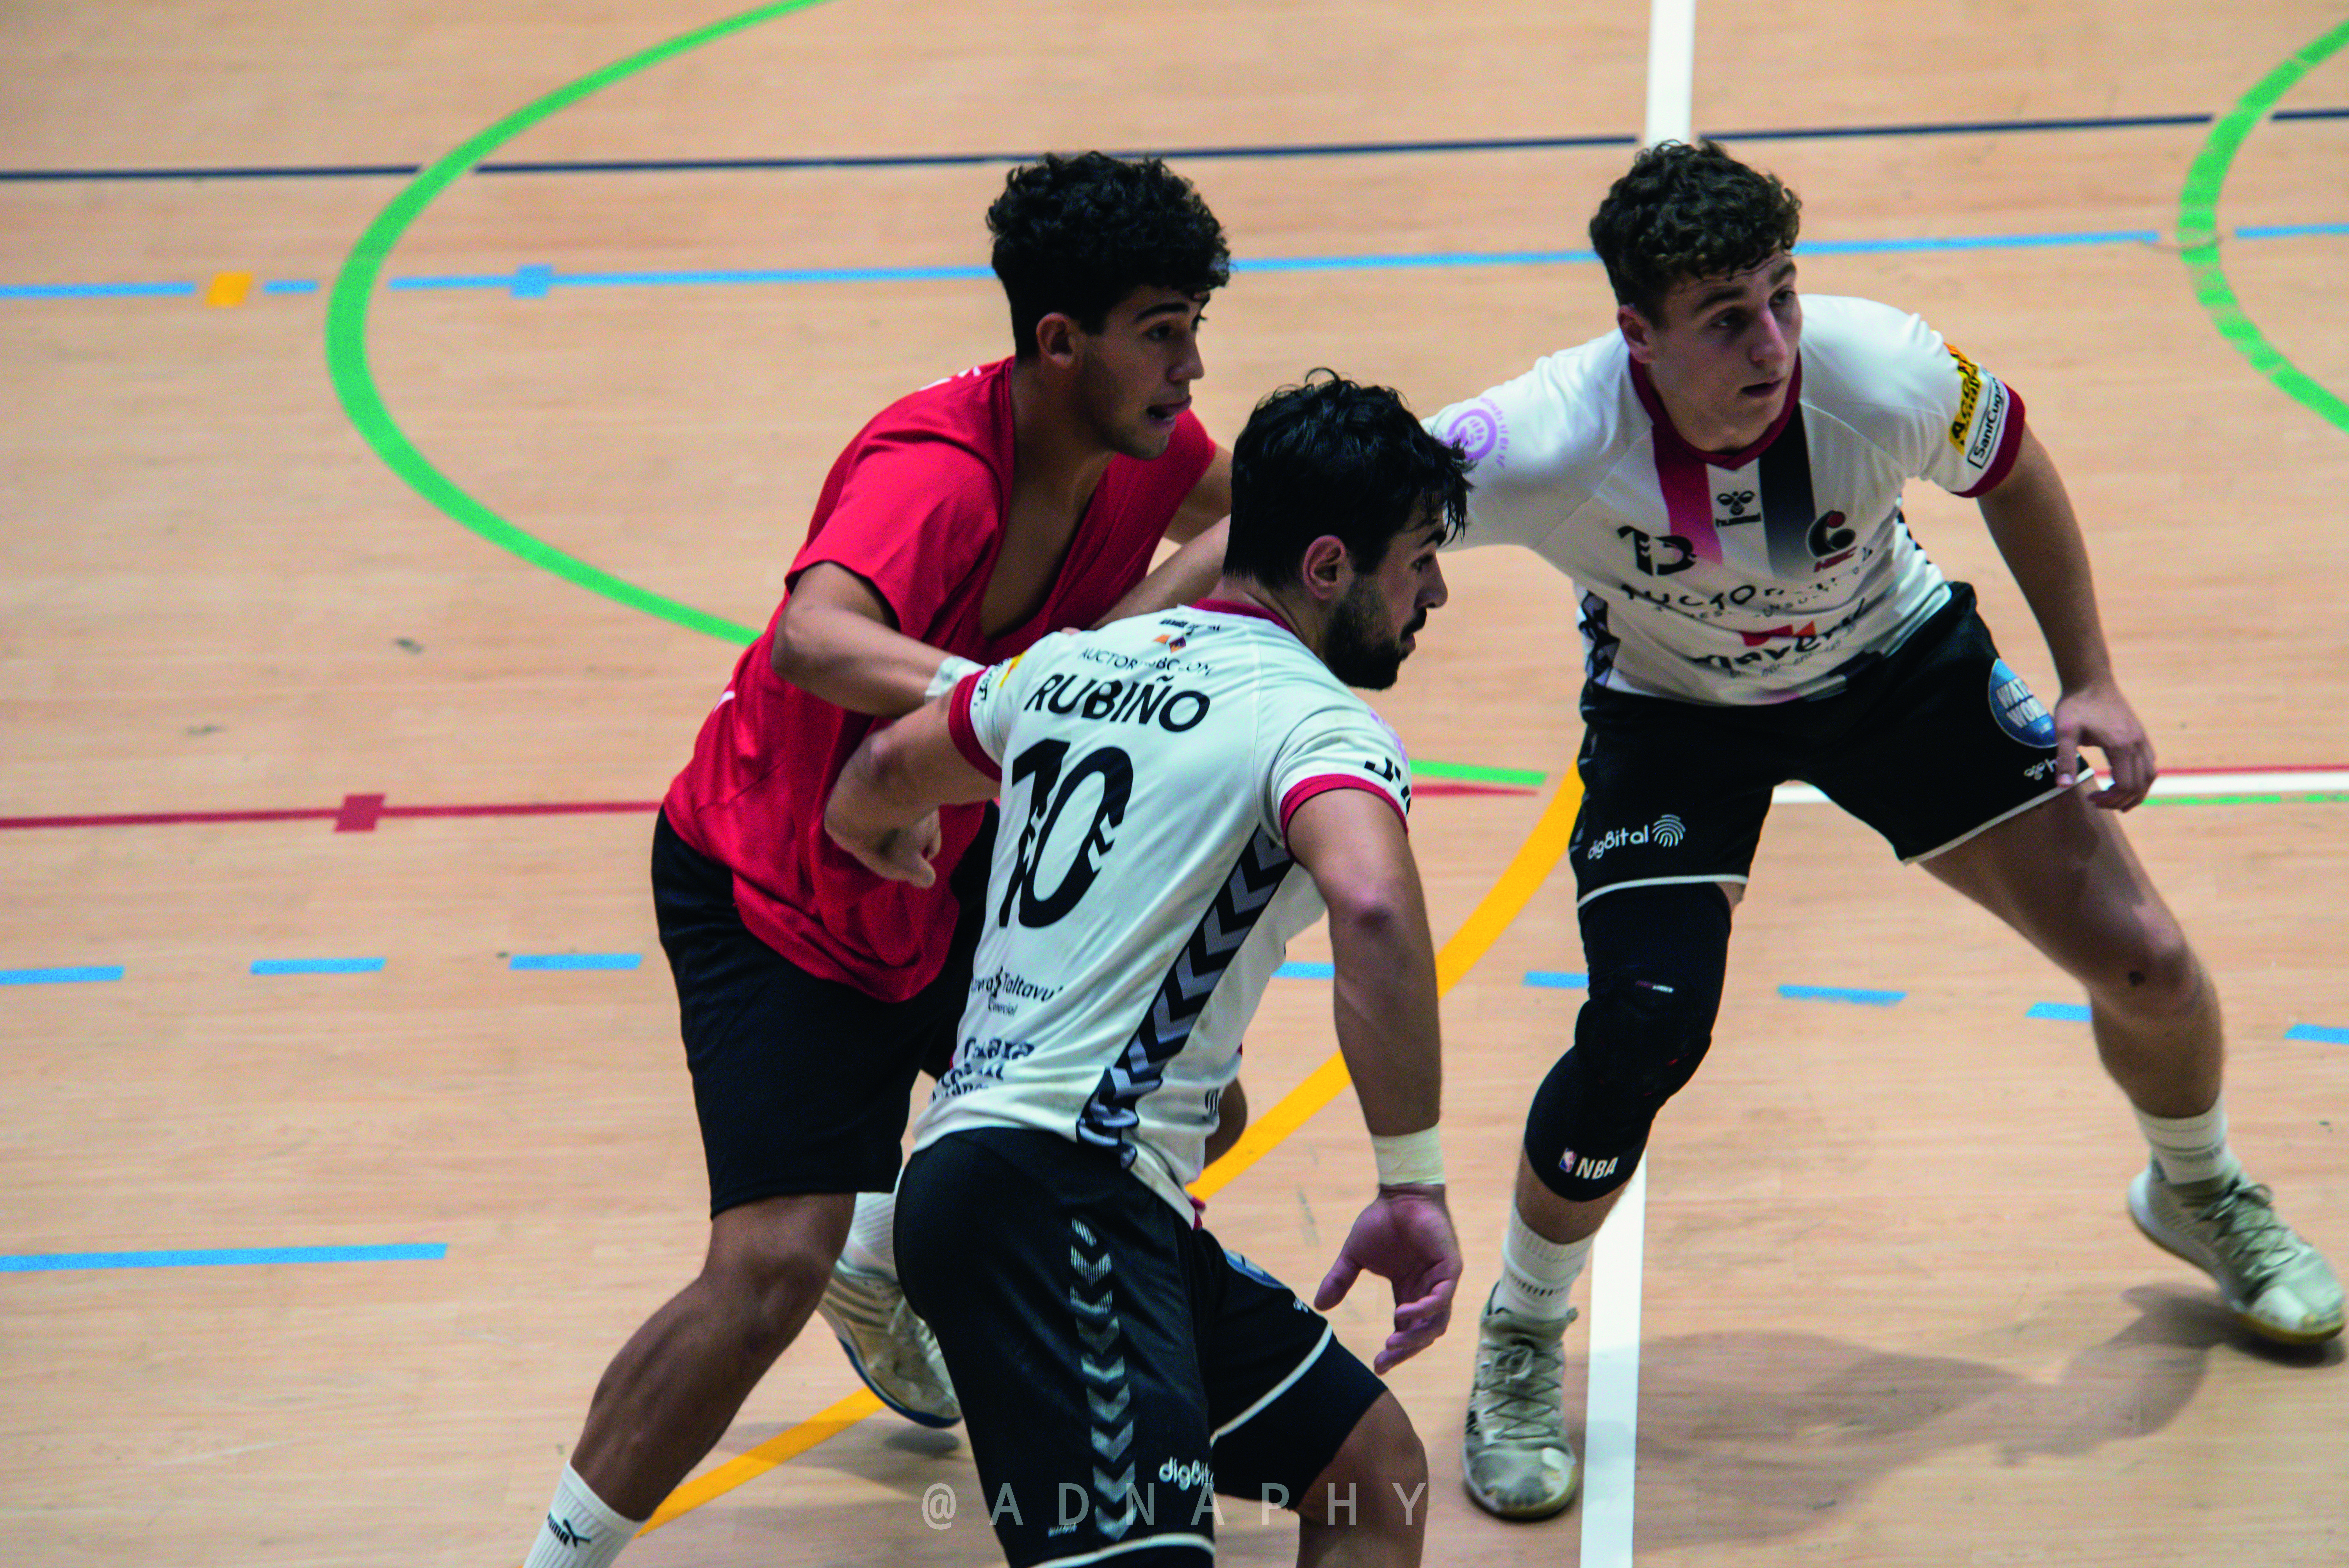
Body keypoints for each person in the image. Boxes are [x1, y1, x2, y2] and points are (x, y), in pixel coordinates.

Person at [1425, 139, 2344, 1522]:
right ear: (1638, 336)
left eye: (1785, 295)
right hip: (1675, 717)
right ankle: (1520, 1331)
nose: (1774, 340)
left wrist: (2089, 674)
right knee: (1638, 1036)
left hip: (1896, 667)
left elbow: (2016, 465)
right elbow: (1310, 518)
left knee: (2147, 958)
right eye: (1729, 318)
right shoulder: (1546, 436)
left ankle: (2201, 1188)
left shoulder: (1885, 370)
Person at [520, 151, 1242, 1568]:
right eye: (1162, 330)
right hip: (772, 891)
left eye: (1193, 326)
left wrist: (1100, 659)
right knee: (763, 1267)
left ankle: (890, 1250)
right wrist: (1020, 697)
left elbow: (1248, 520)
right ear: (1058, 342)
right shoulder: (937, 472)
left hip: (954, 874)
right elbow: (814, 639)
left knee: (1188, 1112)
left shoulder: (1146, 449)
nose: (1189, 363)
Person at [821, 373, 1470, 1567]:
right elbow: (1372, 902)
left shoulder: (1068, 668)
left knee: (1367, 1476)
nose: (1435, 589)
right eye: (1420, 558)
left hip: (1057, 1192)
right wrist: (1411, 1182)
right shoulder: (1315, 725)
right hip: (1065, 1200)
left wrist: (885, 832)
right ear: (1327, 569)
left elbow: (872, 781)